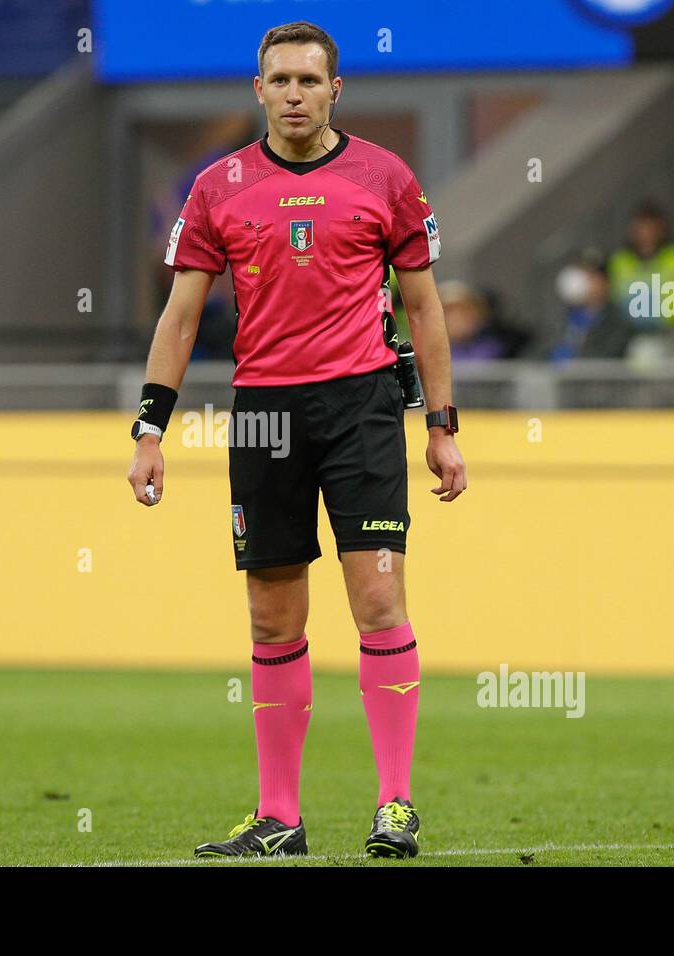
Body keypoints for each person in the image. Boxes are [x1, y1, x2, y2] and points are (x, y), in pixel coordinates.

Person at [125, 21, 465, 860]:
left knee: (379, 601)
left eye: (310, 80)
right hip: (266, 413)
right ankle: (280, 816)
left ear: (335, 89)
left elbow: (423, 310)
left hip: (361, 409)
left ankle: (396, 806)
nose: (294, 94)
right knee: (272, 617)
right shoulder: (218, 187)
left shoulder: (386, 179)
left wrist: (443, 427)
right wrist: (148, 429)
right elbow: (180, 316)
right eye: (279, 80)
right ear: (258, 90)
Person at [606, 200, 674, 336]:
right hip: (627, 336)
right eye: (640, 228)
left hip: (672, 335)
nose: (646, 234)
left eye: (651, 228)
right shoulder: (619, 261)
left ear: (662, 229)